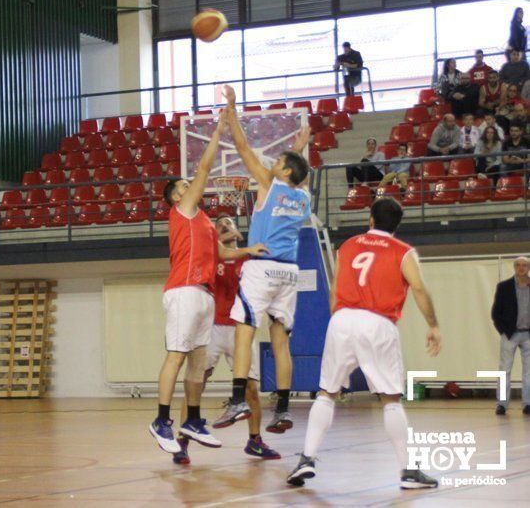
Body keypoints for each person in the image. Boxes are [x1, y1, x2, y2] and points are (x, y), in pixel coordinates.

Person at [287, 198, 442, 490]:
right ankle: (408, 471)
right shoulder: (404, 252)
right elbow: (419, 289)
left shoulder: (348, 245)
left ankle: (306, 459)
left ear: (370, 219)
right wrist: (433, 325)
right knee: (390, 398)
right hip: (378, 322)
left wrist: (341, 319)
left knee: (326, 392)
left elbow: (335, 290)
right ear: (396, 225)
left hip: (342, 319)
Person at [214, 92, 313, 434]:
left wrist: (232, 115)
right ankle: (283, 409)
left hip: (261, 265)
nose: (270, 163)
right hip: (289, 272)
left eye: (278, 161)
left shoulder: (269, 186)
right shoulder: (303, 196)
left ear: (283, 169)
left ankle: (238, 397)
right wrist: (299, 149)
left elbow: (243, 150)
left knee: (245, 332)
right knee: (281, 341)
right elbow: (298, 174)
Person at [149, 87, 239, 455]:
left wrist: (252, 250)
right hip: (184, 290)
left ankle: (194, 419)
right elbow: (203, 167)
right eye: (184, 186)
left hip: (203, 292)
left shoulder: (201, 220)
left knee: (199, 364)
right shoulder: (183, 210)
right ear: (175, 197)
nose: (191, 186)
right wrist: (220, 128)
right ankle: (160, 420)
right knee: (177, 355)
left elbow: (221, 252)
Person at [172, 216, 275, 465]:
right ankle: (182, 441)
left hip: (241, 327)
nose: (227, 227)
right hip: (213, 327)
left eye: (231, 223)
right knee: (197, 383)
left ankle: (255, 441)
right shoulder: (211, 254)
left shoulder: (251, 259)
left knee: (251, 388)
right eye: (221, 225)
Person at [492, 256, 530, 416]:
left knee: (529, 372)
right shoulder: (504, 287)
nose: (521, 268)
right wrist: (504, 331)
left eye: (524, 265)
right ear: (514, 267)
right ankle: (502, 404)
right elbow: (495, 312)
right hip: (510, 334)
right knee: (504, 370)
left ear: (528, 268)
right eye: (518, 265)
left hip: (528, 334)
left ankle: (528, 403)